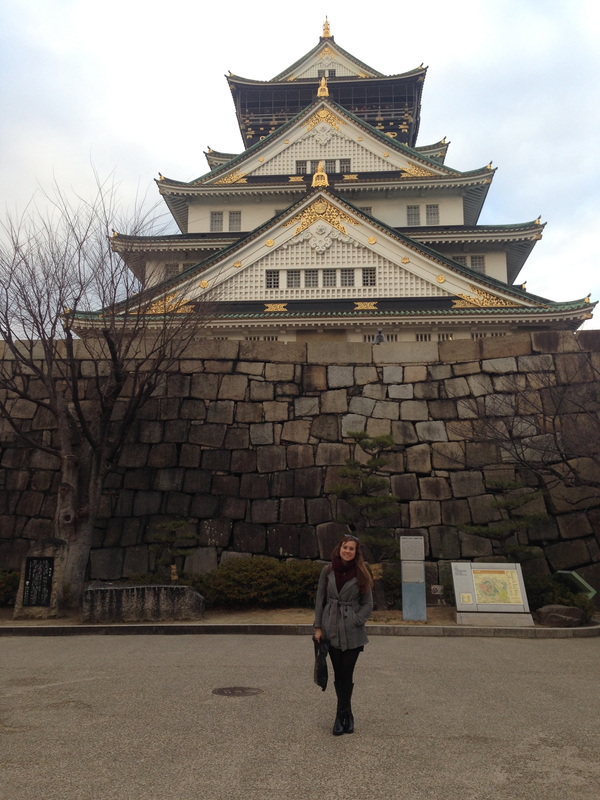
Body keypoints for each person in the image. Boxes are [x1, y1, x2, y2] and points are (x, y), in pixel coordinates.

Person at [313, 535, 374, 735]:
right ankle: (345, 715)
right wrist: (318, 627)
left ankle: (342, 715)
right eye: (345, 547)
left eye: (351, 548)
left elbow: (368, 603)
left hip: (353, 632)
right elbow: (320, 600)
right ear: (339, 549)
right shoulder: (327, 570)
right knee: (339, 675)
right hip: (331, 629)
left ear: (356, 552)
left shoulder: (362, 572)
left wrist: (357, 620)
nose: (347, 551)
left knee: (346, 674)